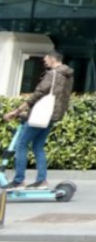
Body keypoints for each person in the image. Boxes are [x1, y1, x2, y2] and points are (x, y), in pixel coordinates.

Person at [2, 50, 74, 190]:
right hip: (52, 115)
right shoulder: (68, 75)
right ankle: (41, 181)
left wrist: (17, 112)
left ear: (53, 59)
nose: (44, 61)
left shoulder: (52, 74)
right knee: (38, 146)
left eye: (46, 59)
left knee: (21, 145)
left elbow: (37, 94)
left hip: (41, 115)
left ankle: (18, 180)